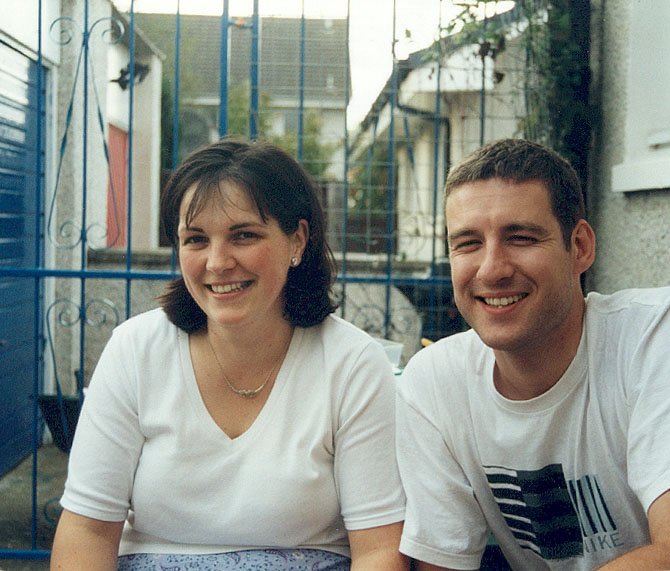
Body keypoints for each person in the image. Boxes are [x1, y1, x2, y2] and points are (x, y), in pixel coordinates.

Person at [394, 138, 670, 570]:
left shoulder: (660, 330)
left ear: (579, 246)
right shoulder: (432, 384)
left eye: (520, 237)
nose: (491, 268)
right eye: (467, 244)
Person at [52, 139, 407, 570]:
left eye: (244, 235)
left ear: (297, 240)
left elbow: (379, 549)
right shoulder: (135, 351)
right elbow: (86, 530)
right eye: (196, 239)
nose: (217, 262)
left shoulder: (352, 364)